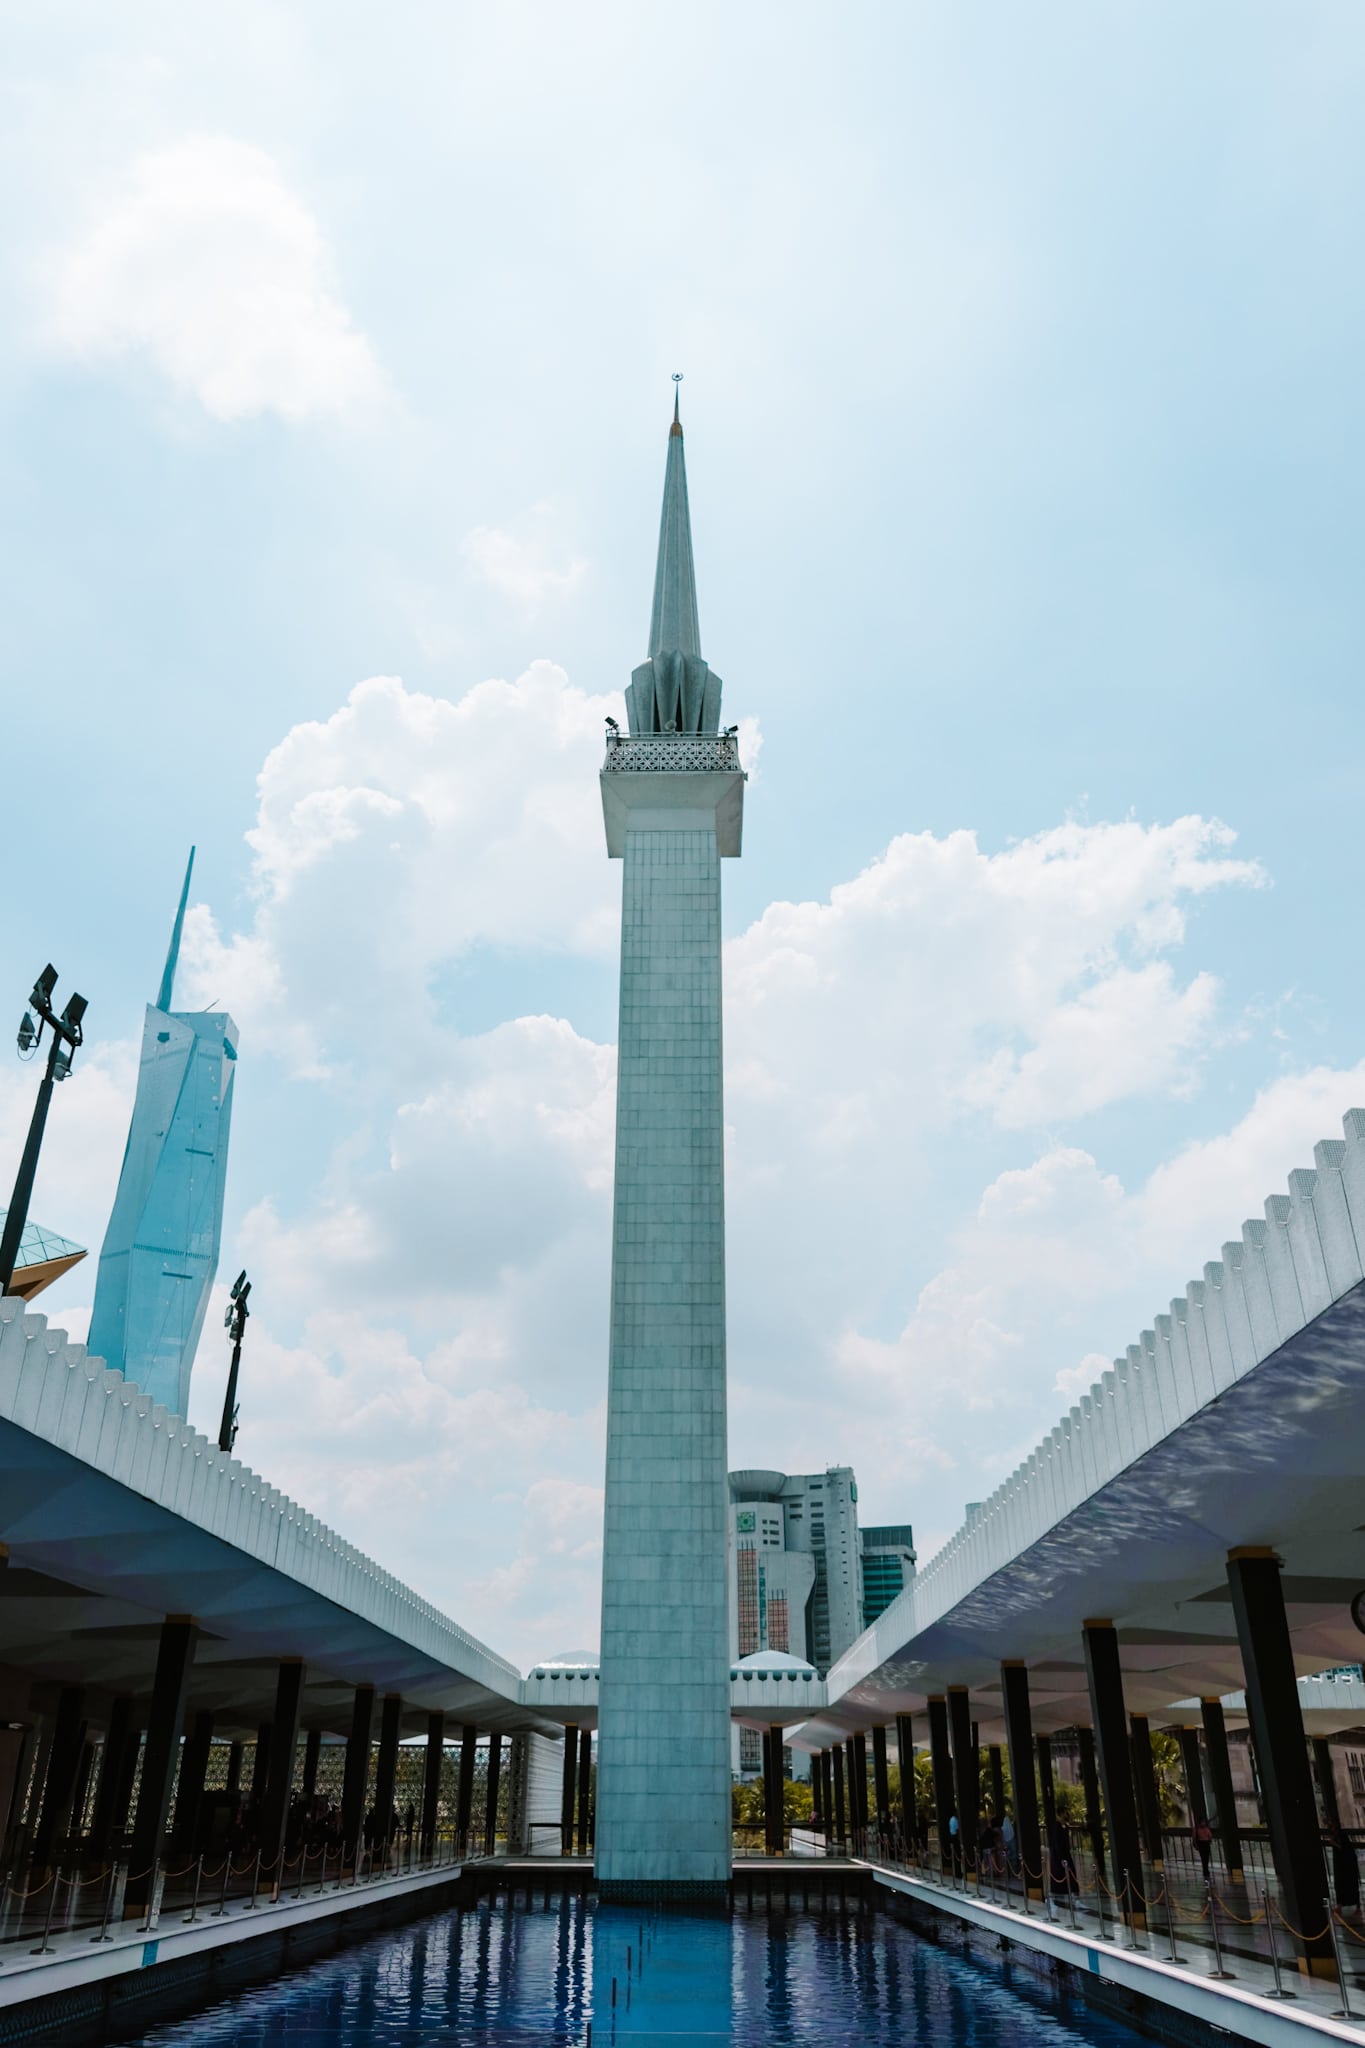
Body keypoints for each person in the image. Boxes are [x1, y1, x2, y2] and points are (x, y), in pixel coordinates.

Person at [1329, 1822, 1361, 1919]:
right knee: (1340, 1885)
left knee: (1349, 1885)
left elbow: (1345, 1849)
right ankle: (1340, 1906)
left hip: (1347, 1867)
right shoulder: (1337, 1836)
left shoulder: (1342, 1837)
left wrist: (1334, 1843)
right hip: (1342, 1867)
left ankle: (1355, 1906)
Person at [1192, 1814, 1214, 1884]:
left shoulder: (1206, 1829)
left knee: (1205, 1858)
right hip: (1202, 1844)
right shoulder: (1197, 1829)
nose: (1203, 1823)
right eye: (1202, 1822)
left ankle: (1206, 1871)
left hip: (1205, 1844)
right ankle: (1206, 1871)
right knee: (1204, 1858)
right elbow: (1195, 1838)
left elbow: (1210, 1836)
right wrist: (1196, 1845)